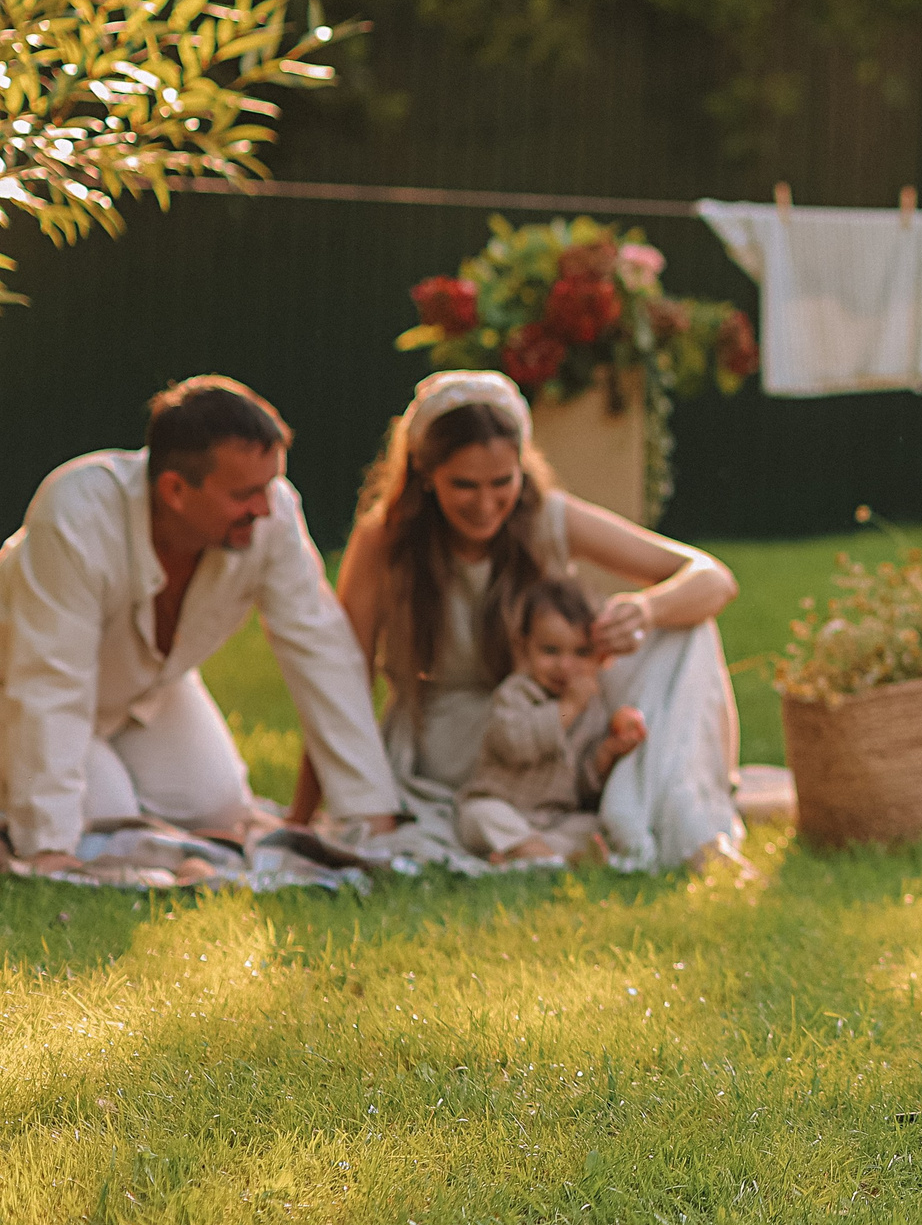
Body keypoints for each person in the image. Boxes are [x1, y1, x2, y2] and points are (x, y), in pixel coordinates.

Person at [314, 370, 746, 872]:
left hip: (556, 714)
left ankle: (684, 823)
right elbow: (343, 683)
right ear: (425, 474)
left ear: (522, 467)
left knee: (686, 626)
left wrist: (647, 611)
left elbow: (713, 578)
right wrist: (316, 808)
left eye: (503, 482)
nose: (485, 504)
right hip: (461, 748)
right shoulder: (383, 541)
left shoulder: (547, 516)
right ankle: (607, 825)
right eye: (464, 485)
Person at [0, 377, 402, 872]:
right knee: (102, 821)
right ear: (175, 490)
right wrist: (48, 846)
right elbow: (49, 684)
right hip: (17, 692)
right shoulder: (77, 514)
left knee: (220, 808)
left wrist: (370, 813)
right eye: (245, 493)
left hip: (147, 693)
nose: (264, 507)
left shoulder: (272, 515)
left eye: (270, 485)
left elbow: (322, 652)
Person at [456, 576, 647, 865]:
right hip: (504, 805)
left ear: (599, 656)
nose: (565, 666)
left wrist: (605, 754)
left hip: (555, 818)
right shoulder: (517, 693)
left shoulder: (593, 708)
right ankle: (540, 856)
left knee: (591, 826)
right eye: (550, 651)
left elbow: (583, 783)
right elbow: (515, 744)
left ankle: (530, 855)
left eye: (581, 653)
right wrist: (567, 708)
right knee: (479, 816)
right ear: (523, 648)